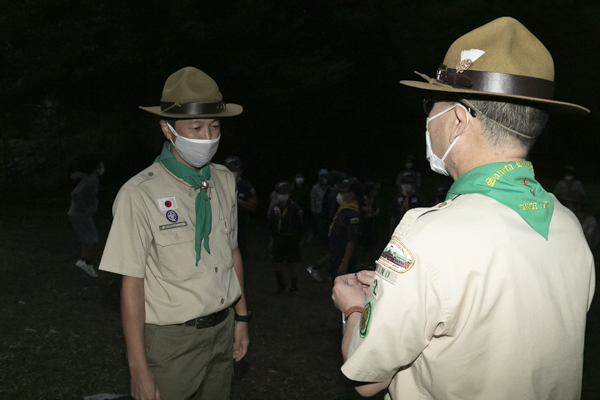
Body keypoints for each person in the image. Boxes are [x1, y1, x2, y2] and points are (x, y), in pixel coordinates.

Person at [332, 17, 595, 400]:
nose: (427, 118)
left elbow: (367, 377)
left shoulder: (430, 233)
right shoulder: (569, 225)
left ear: (456, 120)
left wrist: (355, 308)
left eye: (431, 104)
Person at [99, 67, 250, 400]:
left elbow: (232, 252)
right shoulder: (138, 194)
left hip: (222, 331)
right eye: (195, 127)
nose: (207, 136)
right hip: (170, 343)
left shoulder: (225, 180)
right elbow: (132, 282)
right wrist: (138, 370)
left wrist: (242, 318)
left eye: (214, 126)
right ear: (167, 129)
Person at [68, 153, 104, 278]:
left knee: (86, 237)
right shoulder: (91, 179)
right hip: (80, 213)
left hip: (77, 213)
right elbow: (76, 194)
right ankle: (87, 263)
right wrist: (85, 207)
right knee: (92, 238)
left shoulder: (90, 178)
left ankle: (82, 260)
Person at [268, 182, 304, 294]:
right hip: (279, 239)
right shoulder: (274, 208)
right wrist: (271, 241)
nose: (282, 195)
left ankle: (294, 286)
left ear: (289, 193)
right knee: (277, 263)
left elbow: (301, 227)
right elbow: (271, 226)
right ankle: (280, 285)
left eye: (284, 192)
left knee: (292, 263)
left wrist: (300, 241)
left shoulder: (296, 208)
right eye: (280, 192)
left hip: (291, 239)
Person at [328, 177, 363, 279]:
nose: (339, 195)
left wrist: (344, 263)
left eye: (343, 192)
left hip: (344, 258)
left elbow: (351, 240)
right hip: (337, 256)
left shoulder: (352, 214)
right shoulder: (343, 209)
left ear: (352, 194)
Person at [225, 156, 257, 261]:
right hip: (224, 225)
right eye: (229, 169)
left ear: (240, 171)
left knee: (240, 254)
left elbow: (253, 207)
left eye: (235, 169)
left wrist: (238, 201)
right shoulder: (220, 184)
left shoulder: (246, 186)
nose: (232, 171)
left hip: (241, 225)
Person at [389, 171, 426, 236]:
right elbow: (393, 216)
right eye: (404, 182)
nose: (406, 185)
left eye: (409, 182)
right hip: (399, 229)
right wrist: (391, 232)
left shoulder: (419, 198)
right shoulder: (398, 197)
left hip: (413, 229)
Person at [310, 169, 329, 243]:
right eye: (322, 176)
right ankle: (317, 240)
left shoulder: (329, 187)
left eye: (325, 176)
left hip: (327, 211)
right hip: (318, 210)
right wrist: (313, 209)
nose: (323, 178)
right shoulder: (315, 187)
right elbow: (312, 199)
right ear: (319, 177)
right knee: (318, 225)